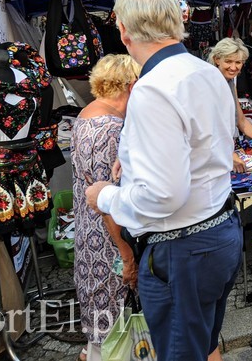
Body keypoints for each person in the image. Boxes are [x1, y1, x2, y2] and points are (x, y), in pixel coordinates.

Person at [84, 0, 242, 361]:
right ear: (177, 23)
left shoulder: (154, 86)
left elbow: (164, 194)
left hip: (183, 248)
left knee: (182, 352)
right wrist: (132, 153)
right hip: (218, 231)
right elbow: (208, 142)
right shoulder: (205, 72)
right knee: (202, 345)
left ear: (123, 31)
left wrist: (103, 196)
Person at [71, 54, 140, 361]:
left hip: (89, 235)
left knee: (100, 320)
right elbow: (107, 200)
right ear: (130, 83)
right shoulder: (112, 128)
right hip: (108, 241)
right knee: (115, 327)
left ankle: (92, 354)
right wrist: (126, 255)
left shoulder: (86, 114)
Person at [207, 38, 252, 173]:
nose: (233, 67)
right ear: (217, 59)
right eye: (228, 61)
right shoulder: (209, 83)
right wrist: (229, 154)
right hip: (212, 151)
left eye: (238, 62)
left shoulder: (230, 82)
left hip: (225, 148)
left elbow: (241, 121)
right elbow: (208, 127)